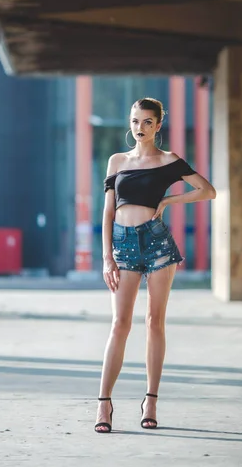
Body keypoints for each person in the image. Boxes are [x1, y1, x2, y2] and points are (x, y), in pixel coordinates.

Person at [94, 97, 216, 433]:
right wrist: (107, 257)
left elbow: (207, 191)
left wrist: (168, 199)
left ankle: (150, 400)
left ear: (158, 125)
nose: (140, 128)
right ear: (130, 122)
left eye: (148, 122)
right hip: (122, 245)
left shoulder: (169, 160)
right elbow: (107, 212)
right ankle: (104, 403)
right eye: (135, 121)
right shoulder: (117, 161)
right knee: (120, 323)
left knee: (154, 322)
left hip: (158, 244)